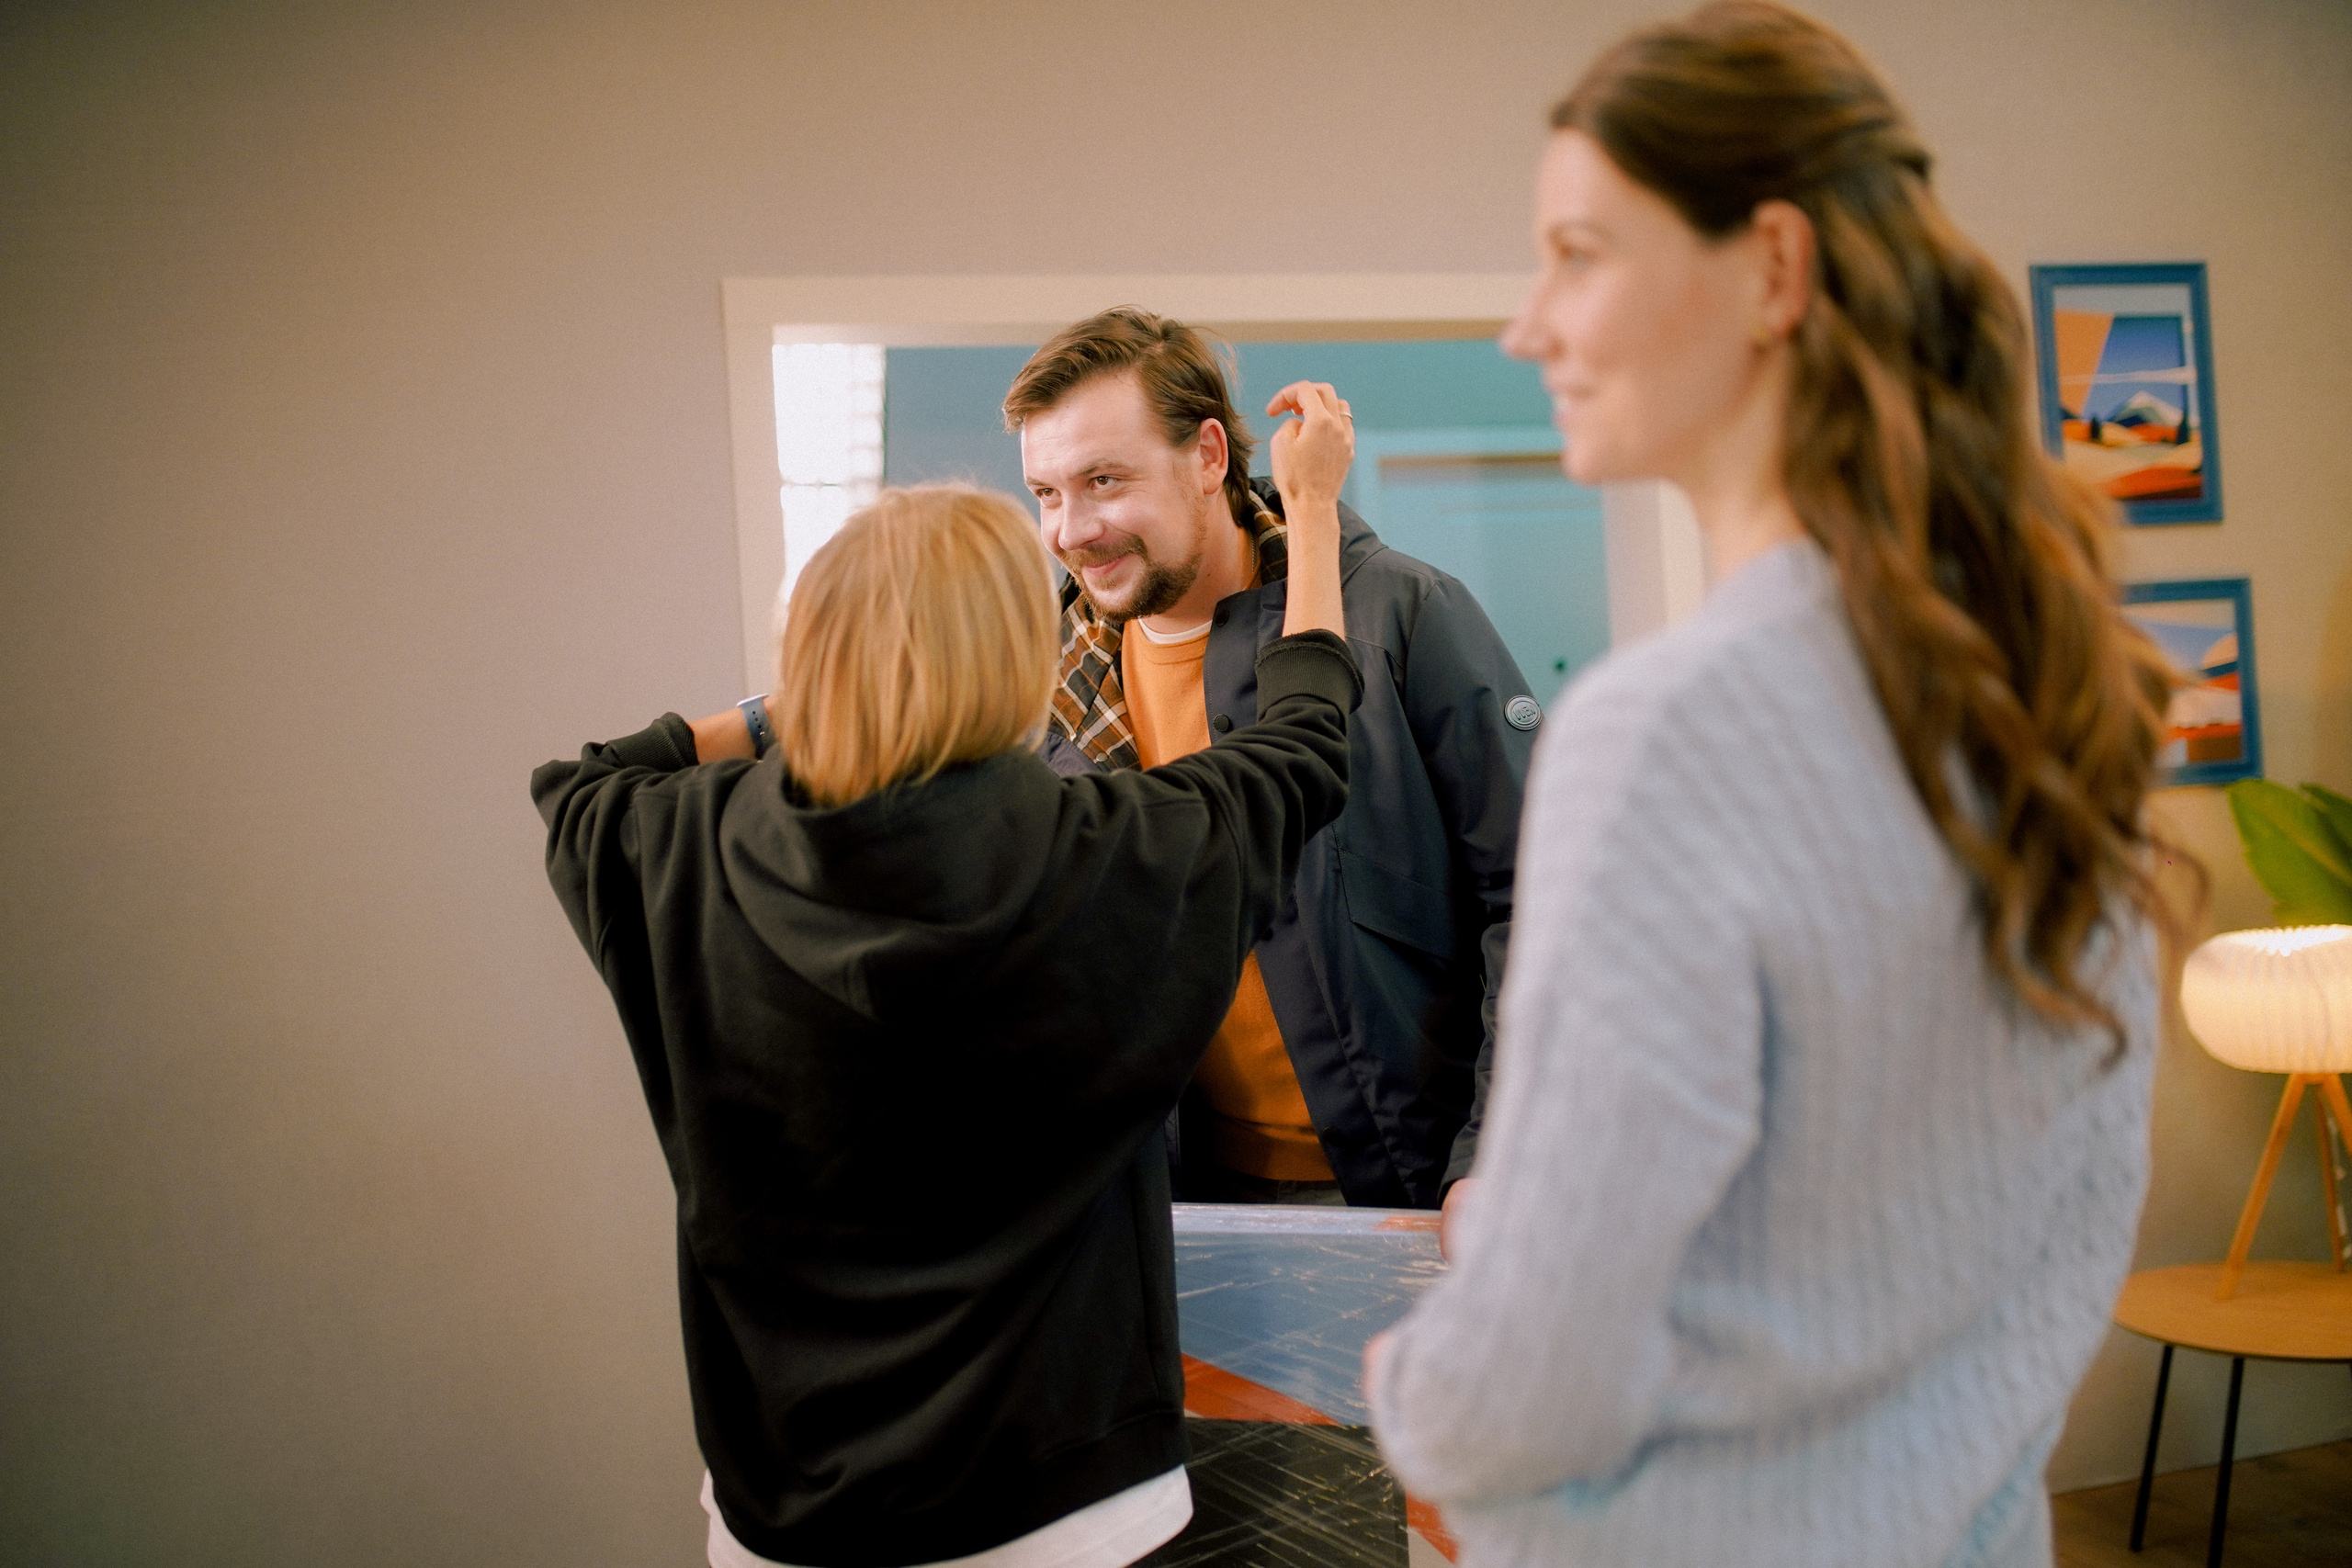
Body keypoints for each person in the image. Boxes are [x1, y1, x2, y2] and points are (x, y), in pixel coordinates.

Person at [1364, 6, 2184, 1566]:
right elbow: (2050, 1232)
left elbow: (1520, 1390)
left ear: (1776, 270)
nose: (1526, 326)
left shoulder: (1668, 728)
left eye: (1580, 252)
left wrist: (1429, 1364)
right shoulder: (2045, 683)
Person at [532, 385, 1358, 1568]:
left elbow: (588, 774)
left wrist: (830, 683)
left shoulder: (670, 846)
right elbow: (1304, 738)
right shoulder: (1116, 849)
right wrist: (1313, 512)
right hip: (1062, 1515)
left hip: (782, 1514)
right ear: (1023, 657)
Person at [1006, 308, 1539, 1226]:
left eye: (1103, 481)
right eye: (1046, 492)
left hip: (1420, 1189)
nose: (1070, 530)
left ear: (1209, 456)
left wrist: (1493, 1155)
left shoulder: (1398, 616)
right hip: (1169, 1203)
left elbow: (1538, 899)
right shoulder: (1040, 682)